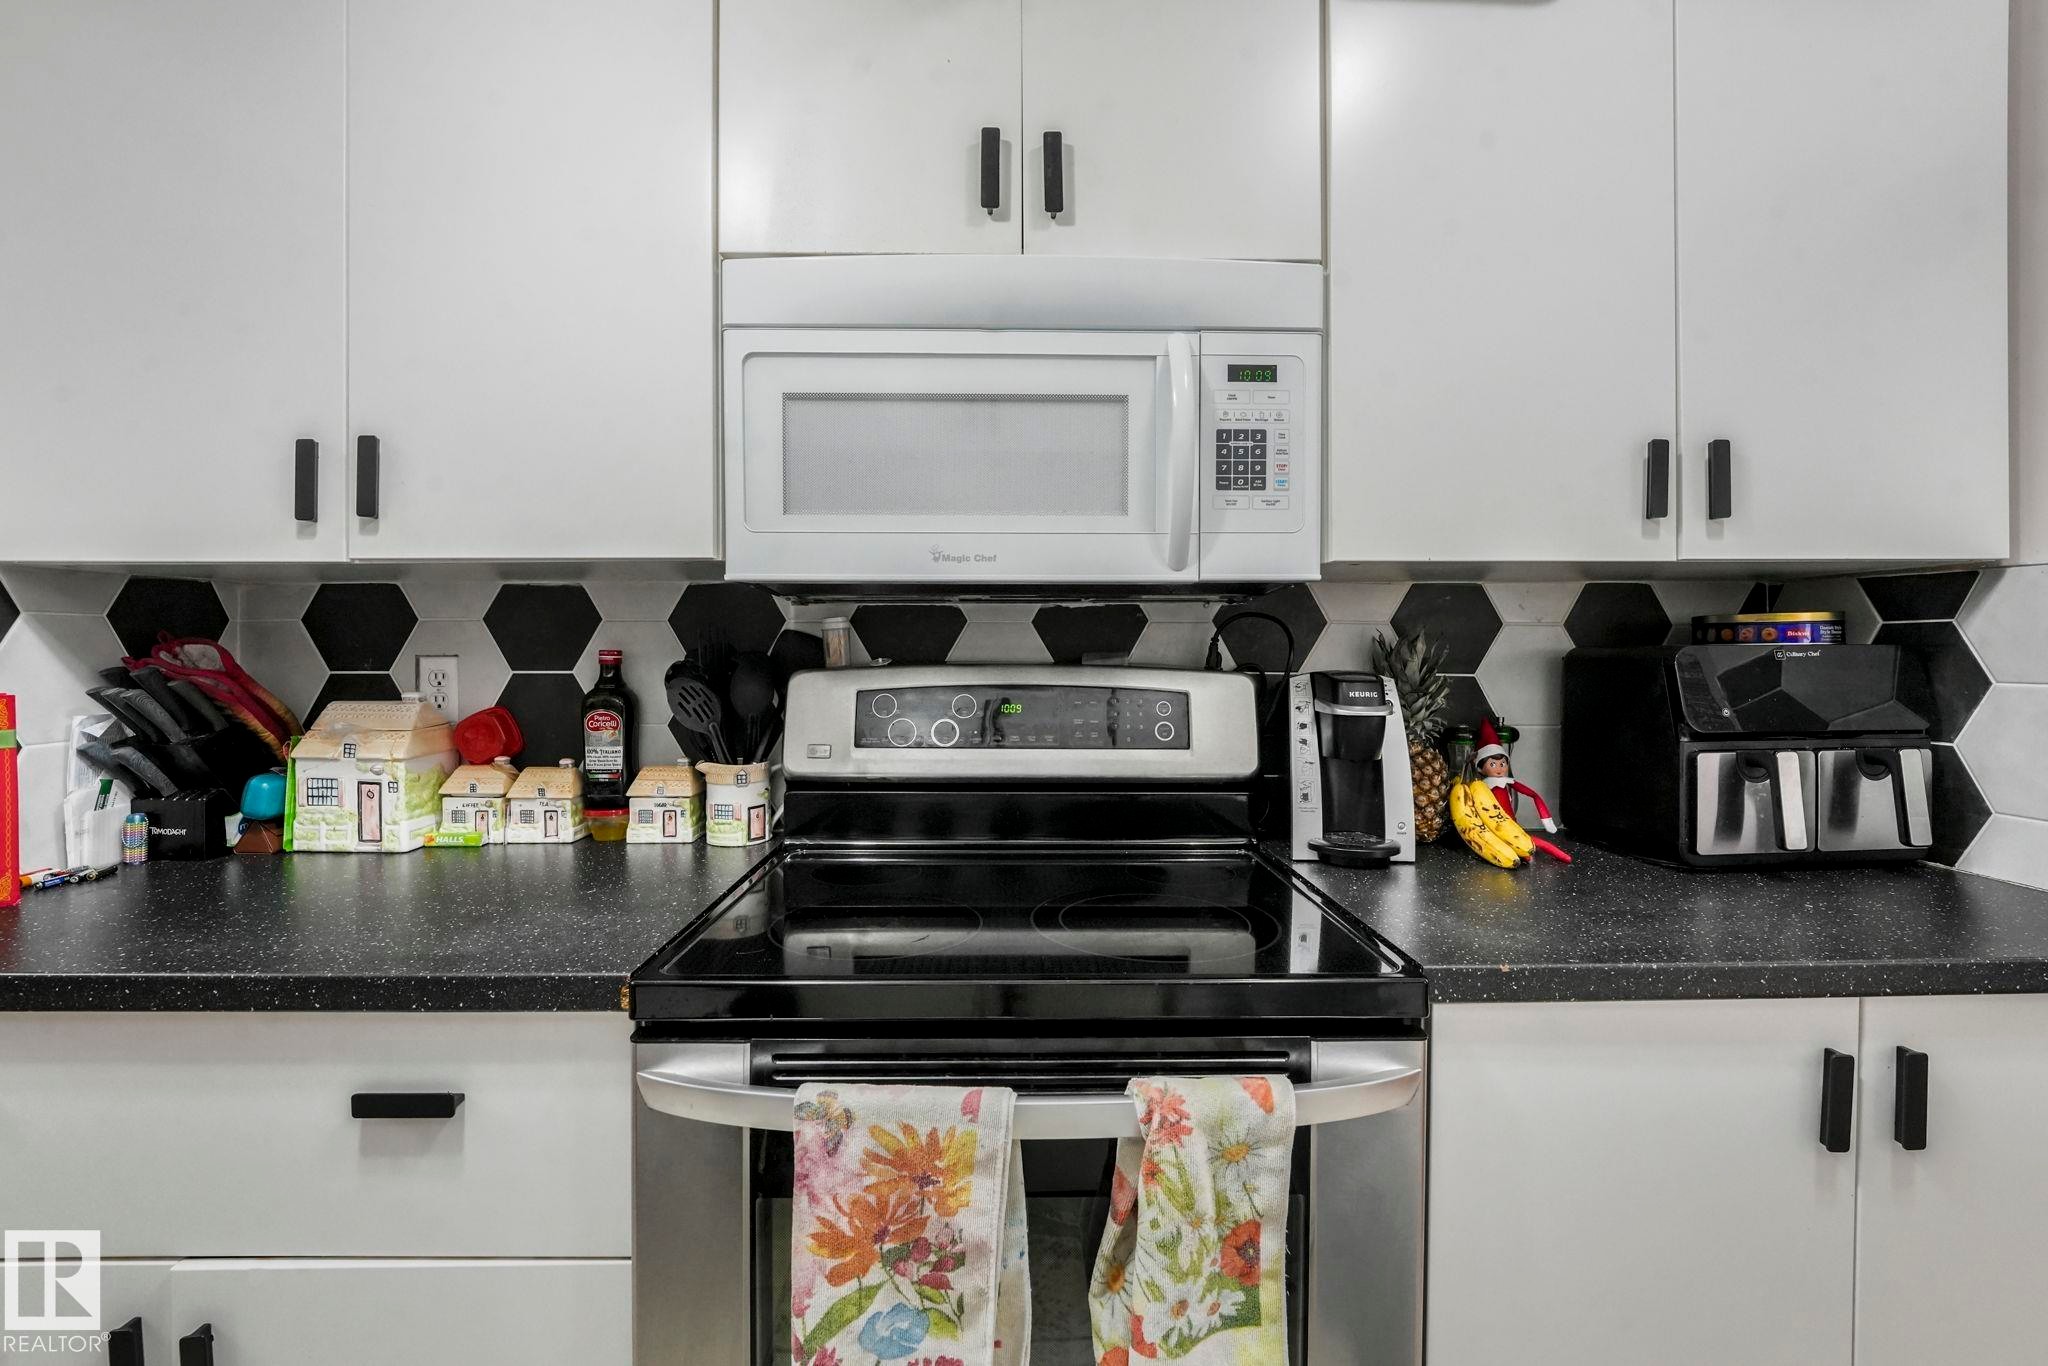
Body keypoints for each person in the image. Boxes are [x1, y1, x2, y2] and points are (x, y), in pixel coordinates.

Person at [1473, 718, 1556, 833]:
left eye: (1503, 763)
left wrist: (1546, 819)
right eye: (1493, 764)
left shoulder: (1508, 782)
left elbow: (1533, 795)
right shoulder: (1479, 786)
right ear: (1480, 769)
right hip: (1489, 826)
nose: (1499, 768)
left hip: (1511, 823)